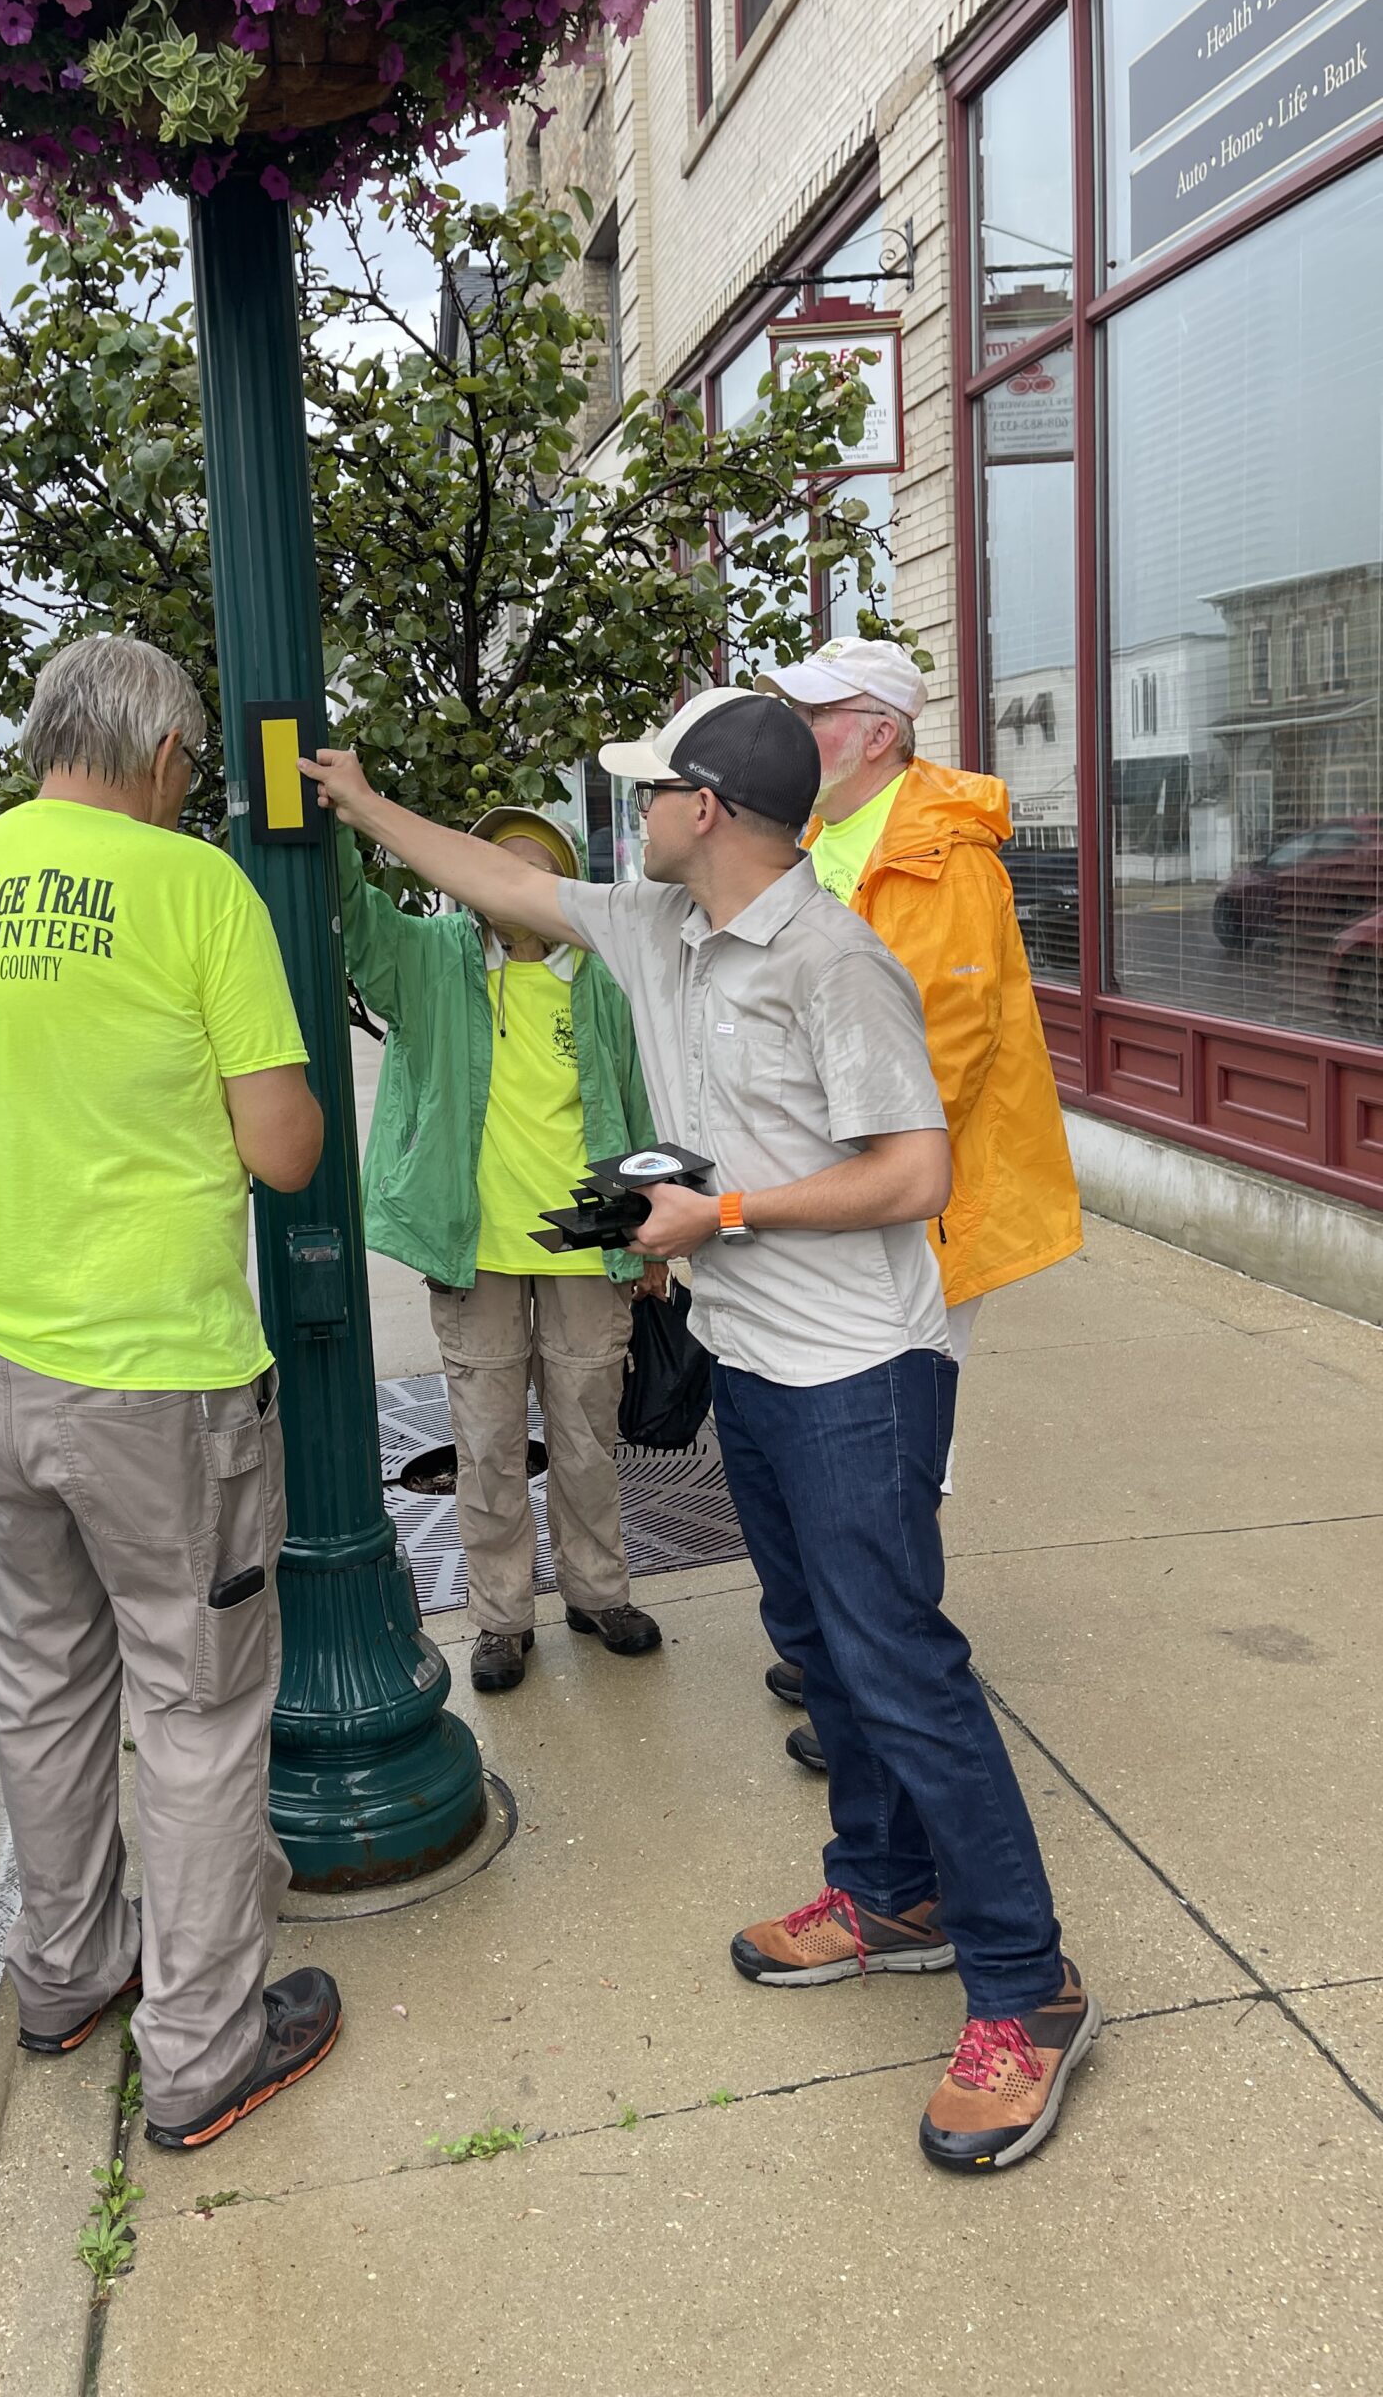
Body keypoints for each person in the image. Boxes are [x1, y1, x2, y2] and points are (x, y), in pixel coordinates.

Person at [301, 697, 1100, 2173]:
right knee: (825, 1649)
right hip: (756, 1358)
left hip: (861, 1368)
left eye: (649, 792)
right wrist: (357, 800)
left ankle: (1025, 1986)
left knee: (904, 1670)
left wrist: (718, 1214)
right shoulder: (662, 931)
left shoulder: (831, 958)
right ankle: (882, 1890)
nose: (631, 815)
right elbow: (509, 886)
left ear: (710, 810)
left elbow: (915, 1171)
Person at [0, 633, 341, 2156]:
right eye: (190, 774)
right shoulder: (190, 885)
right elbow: (283, 1151)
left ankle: (66, 1973)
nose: (188, 794)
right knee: (198, 1708)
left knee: (43, 1676)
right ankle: (204, 2049)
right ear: (159, 759)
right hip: (156, 1372)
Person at [754, 636, 1083, 1773]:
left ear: (877, 733)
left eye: (810, 716)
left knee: (892, 1456)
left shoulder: (943, 858)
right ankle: (845, 1656)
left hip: (919, 1214)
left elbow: (935, 1062)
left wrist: (788, 1181)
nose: (789, 736)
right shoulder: (826, 838)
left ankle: (882, 1691)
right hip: (850, 1201)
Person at [339, 807, 665, 1692]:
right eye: (493, 865)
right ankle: (500, 1620)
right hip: (473, 1251)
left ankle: (599, 1595)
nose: (508, 881)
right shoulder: (431, 962)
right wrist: (336, 810)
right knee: (486, 1449)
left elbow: (641, 1104)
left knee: (589, 1440)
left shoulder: (602, 979)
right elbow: (353, 912)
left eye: (531, 867)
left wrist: (654, 1237)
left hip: (587, 1252)